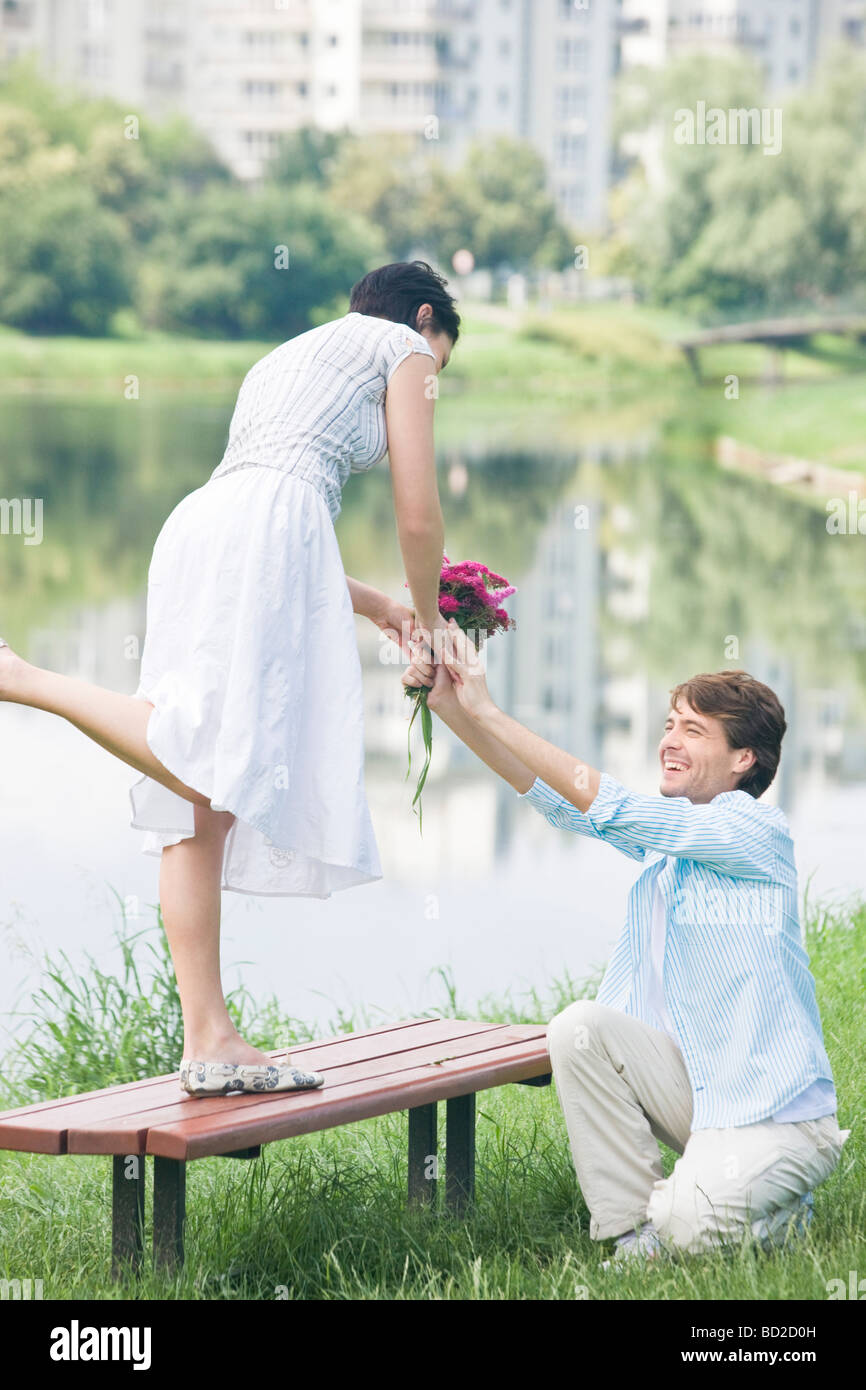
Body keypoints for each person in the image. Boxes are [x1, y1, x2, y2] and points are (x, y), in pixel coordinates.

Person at [0, 260, 458, 1098]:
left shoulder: (292, 354)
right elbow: (418, 511)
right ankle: (23, 678)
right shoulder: (406, 349)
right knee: (204, 759)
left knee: (197, 806)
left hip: (203, 526)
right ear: (427, 319)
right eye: (443, 361)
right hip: (263, 530)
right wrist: (429, 624)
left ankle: (208, 1039)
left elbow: (272, 490)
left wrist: (377, 608)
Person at [403, 628, 848, 1262]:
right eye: (670, 723)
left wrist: (489, 709)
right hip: (706, 1096)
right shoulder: (673, 849)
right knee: (580, 1027)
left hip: (776, 1116)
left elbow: (611, 803)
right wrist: (452, 707)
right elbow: (561, 803)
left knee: (691, 1230)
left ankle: (768, 1219)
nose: (669, 740)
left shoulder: (752, 830)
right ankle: (632, 1231)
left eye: (693, 731)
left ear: (743, 758)